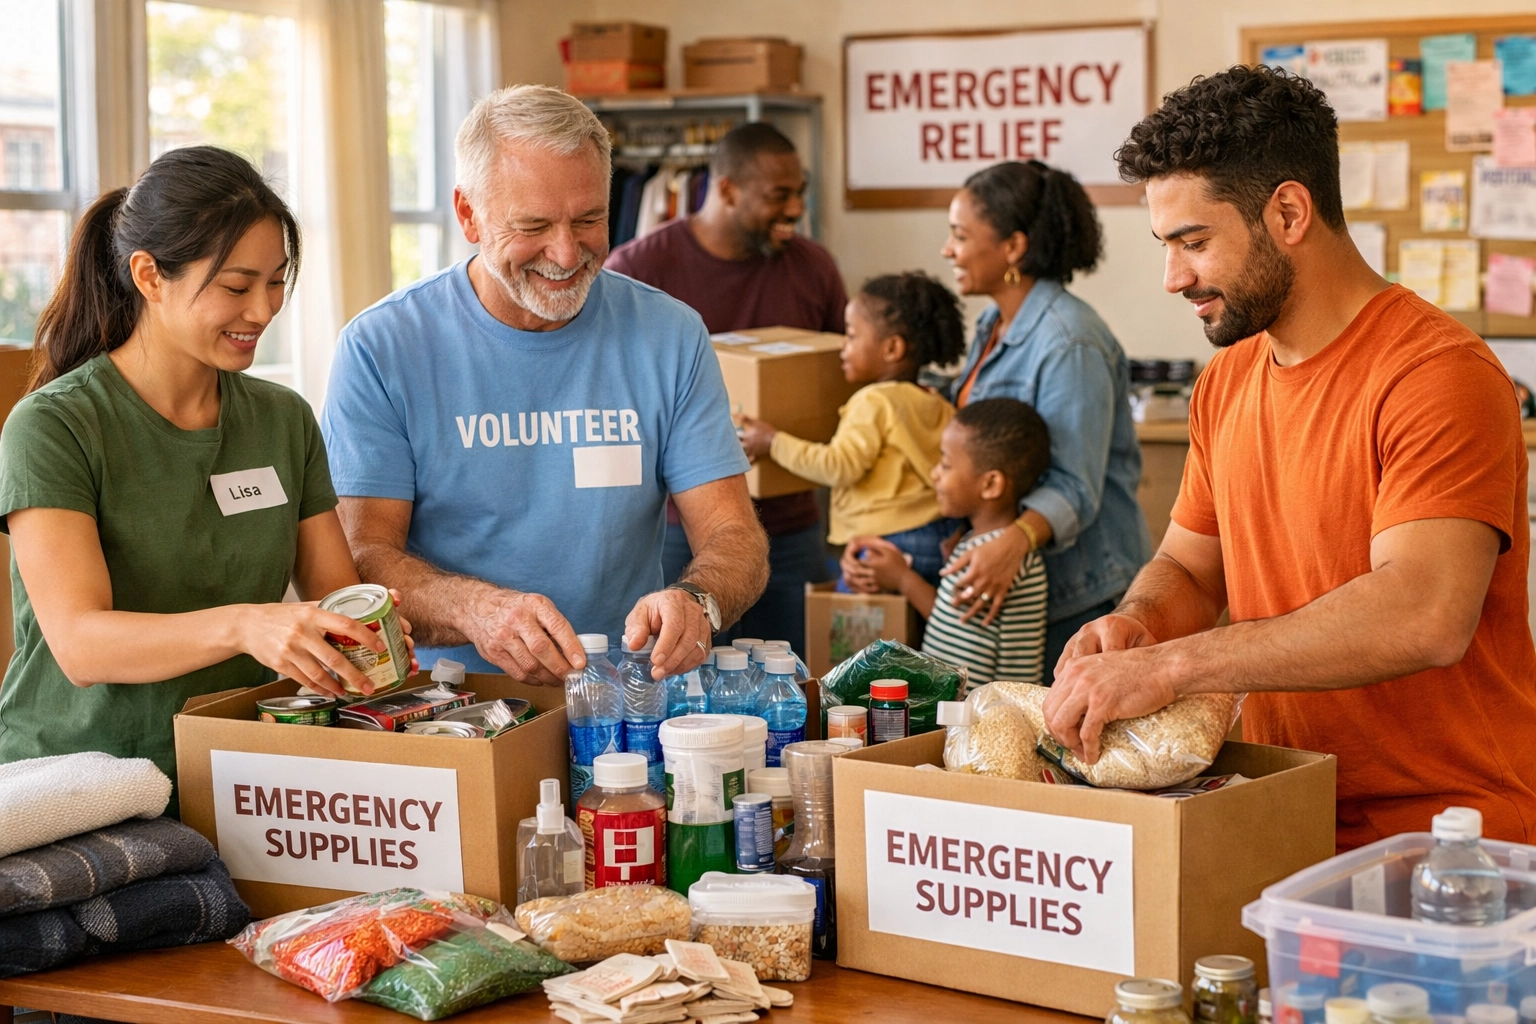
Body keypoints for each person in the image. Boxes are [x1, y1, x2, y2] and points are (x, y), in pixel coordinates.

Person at [1045, 65, 1536, 849]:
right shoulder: (1228, 380)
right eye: (1165, 246)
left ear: (1288, 212)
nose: (1174, 278)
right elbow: (1192, 570)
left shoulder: (1439, 373)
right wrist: (1136, 627)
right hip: (1285, 805)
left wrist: (1174, 669)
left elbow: (1426, 613)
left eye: (1194, 242)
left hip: (1450, 836)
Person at [322, 85, 768, 686]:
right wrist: (476, 611)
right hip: (448, 704)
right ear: (468, 214)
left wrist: (698, 599)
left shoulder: (671, 334)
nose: (566, 252)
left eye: (589, 220)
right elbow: (360, 561)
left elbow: (732, 533)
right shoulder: (381, 347)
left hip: (624, 698)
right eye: (533, 225)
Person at [0, 146, 400, 815]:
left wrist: (368, 636)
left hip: (236, 780)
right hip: (75, 789)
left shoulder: (282, 419)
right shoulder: (54, 426)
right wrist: (250, 626)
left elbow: (335, 595)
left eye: (276, 282)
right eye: (237, 286)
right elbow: (80, 644)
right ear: (149, 277)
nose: (263, 310)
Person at [606, 121, 848, 655]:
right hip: (678, 530)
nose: (795, 209)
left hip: (791, 525)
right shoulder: (640, 270)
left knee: (797, 688)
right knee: (683, 685)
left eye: (800, 193)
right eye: (778, 195)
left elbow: (845, 379)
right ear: (727, 189)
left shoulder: (813, 268)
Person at [930, 160, 1152, 678]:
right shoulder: (992, 322)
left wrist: (1015, 539)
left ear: (1013, 246)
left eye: (960, 236)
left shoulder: (1068, 341)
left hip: (1083, 591)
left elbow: (1075, 485)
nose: (947, 250)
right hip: (1022, 586)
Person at [737, 272, 964, 589]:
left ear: (892, 348)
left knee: (854, 630)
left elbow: (839, 467)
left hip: (886, 543)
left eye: (853, 335)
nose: (843, 346)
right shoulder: (935, 401)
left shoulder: (873, 401)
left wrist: (773, 442)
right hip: (936, 536)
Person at [846, 398, 1050, 689]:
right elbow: (952, 624)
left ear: (990, 484)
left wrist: (904, 579)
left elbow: (963, 662)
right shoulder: (980, 544)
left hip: (986, 719)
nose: (935, 474)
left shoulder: (992, 558)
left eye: (945, 464)